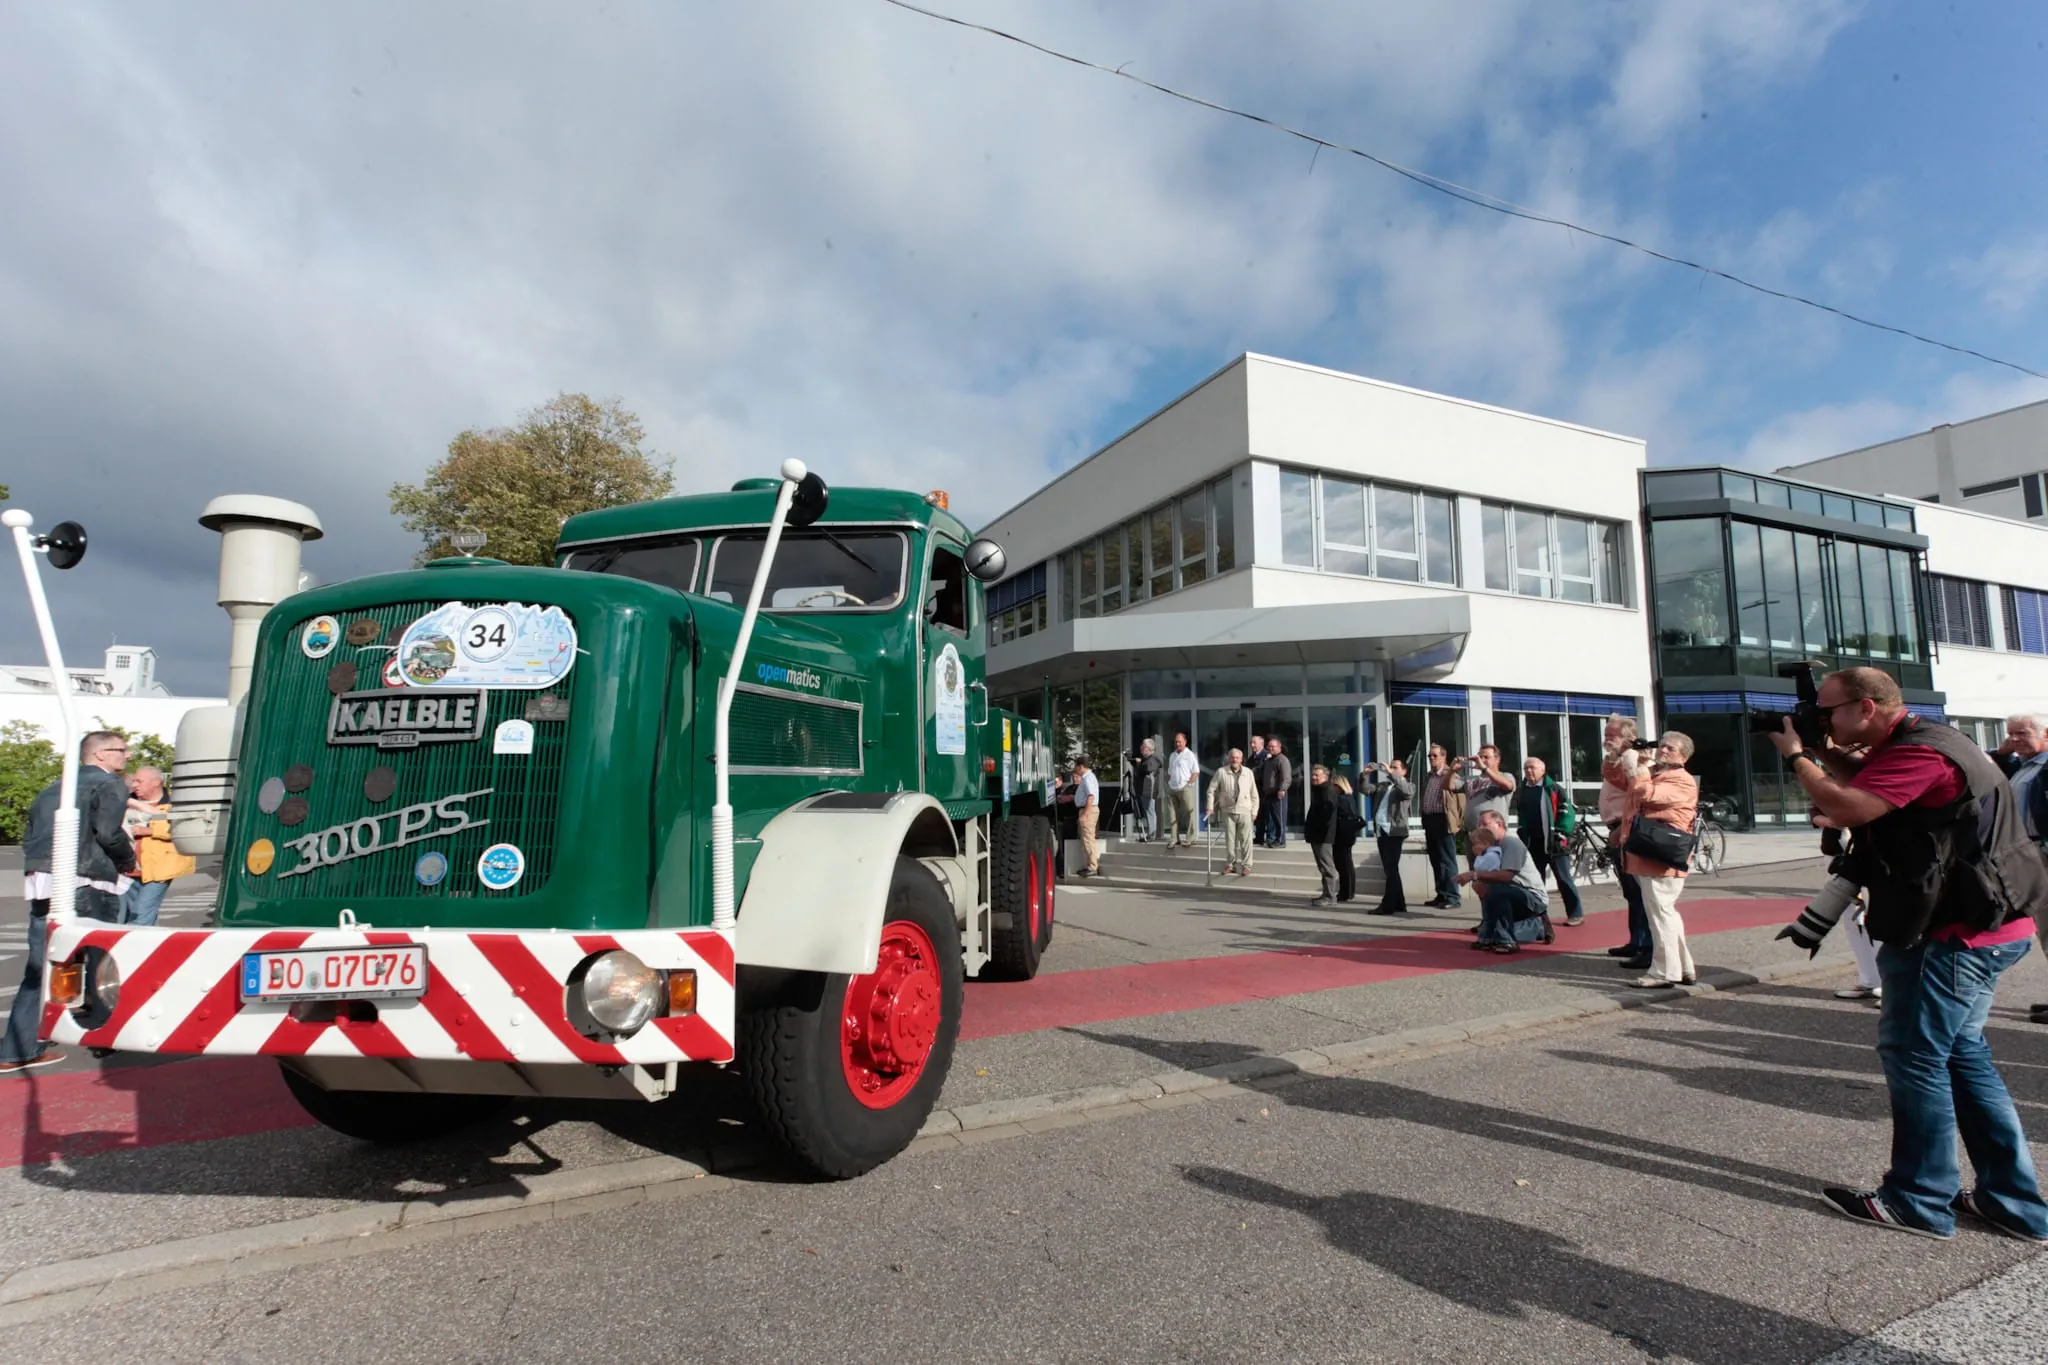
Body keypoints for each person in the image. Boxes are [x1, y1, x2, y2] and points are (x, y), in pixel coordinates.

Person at [1769, 667, 2048, 1240]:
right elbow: (1871, 784)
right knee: (1961, 1056)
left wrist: (1798, 756)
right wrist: (1823, 750)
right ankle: (2012, 1200)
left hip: (1952, 938)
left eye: (1830, 712)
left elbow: (1848, 808)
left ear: (1866, 707)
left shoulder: (1924, 754)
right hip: (1987, 928)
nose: (1823, 721)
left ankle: (1920, 1197)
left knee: (1915, 1057)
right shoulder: (1927, 741)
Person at [1, 730, 138, 1075]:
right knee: (100, 960)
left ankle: (16, 1048)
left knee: (41, 965)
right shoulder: (109, 785)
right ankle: (104, 1037)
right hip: (87, 877)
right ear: (99, 756)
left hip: (45, 880)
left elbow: (31, 834)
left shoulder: (52, 788)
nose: (126, 757)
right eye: (120, 751)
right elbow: (108, 833)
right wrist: (127, 862)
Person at [1613, 731, 1699, 988]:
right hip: (1649, 854)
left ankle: (1664, 972)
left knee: (1660, 914)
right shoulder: (1657, 773)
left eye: (1669, 748)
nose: (1661, 750)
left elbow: (1646, 795)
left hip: (1661, 855)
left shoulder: (1681, 780)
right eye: (1661, 745)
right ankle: (1683, 968)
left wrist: (1640, 765)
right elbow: (1614, 777)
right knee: (1665, 913)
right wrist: (1620, 753)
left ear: (1683, 756)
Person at [1989, 713, 2048, 1025]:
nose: (2013, 740)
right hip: (2028, 855)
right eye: (2010, 734)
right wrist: (2002, 753)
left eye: (2021, 733)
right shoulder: (2024, 766)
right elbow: (1992, 770)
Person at [1599, 715, 1656, 965]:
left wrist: (1622, 828)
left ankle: (1646, 947)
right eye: (1606, 735)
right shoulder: (1619, 758)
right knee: (1631, 893)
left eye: (1612, 735)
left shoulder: (1635, 759)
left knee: (1641, 892)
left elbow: (1631, 790)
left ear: (1628, 738)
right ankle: (1636, 942)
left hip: (1629, 829)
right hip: (1619, 829)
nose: (1607, 739)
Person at [1458, 811, 1552, 953]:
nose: (1480, 828)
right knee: (1489, 888)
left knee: (1497, 891)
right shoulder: (1490, 846)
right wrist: (1479, 880)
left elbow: (1507, 876)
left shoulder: (1511, 842)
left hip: (1533, 897)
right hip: (1513, 892)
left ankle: (1507, 940)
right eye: (1478, 825)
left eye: (1485, 824)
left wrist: (1475, 875)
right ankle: (1487, 938)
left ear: (1499, 824)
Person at [122, 766, 194, 927]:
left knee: (140, 914)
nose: (134, 785)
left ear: (156, 782)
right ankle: (152, 948)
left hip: (159, 870)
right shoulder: (128, 803)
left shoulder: (174, 805)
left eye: (139, 781)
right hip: (130, 869)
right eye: (134, 781)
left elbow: (183, 830)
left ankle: (135, 949)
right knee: (139, 913)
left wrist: (148, 830)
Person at [1515, 757, 1584, 928]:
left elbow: (1567, 812)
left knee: (1564, 879)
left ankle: (1576, 913)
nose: (1528, 771)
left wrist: (1561, 834)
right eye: (1525, 768)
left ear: (1542, 770)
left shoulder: (1553, 789)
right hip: (1533, 843)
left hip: (1555, 843)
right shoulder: (1522, 790)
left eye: (1532, 768)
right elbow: (1521, 816)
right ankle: (1537, 915)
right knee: (1534, 881)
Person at [1417, 745, 1464, 908]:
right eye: (1430, 756)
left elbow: (1460, 801)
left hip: (1443, 820)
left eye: (1435, 756)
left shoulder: (1450, 775)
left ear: (1444, 757)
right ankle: (1441, 894)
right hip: (1430, 820)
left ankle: (1452, 896)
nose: (1432, 759)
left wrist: (1457, 821)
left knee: (1446, 859)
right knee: (1435, 859)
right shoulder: (1429, 776)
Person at [1454, 745, 1514, 872]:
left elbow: (1508, 786)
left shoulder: (1505, 776)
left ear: (1497, 759)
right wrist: (1452, 771)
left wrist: (1484, 768)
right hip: (1473, 834)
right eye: (1480, 757)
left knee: (1494, 871)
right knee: (1476, 873)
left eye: (1486, 757)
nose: (1482, 760)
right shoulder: (1471, 779)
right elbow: (1448, 786)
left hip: (1492, 834)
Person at [1364, 759, 1412, 916]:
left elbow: (1406, 792)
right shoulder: (1384, 786)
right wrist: (1364, 775)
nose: (1391, 769)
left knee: (1391, 868)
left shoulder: (1406, 785)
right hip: (1382, 830)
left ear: (1403, 771)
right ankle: (1399, 903)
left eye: (1395, 767)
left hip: (1395, 831)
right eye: (1390, 766)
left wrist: (1391, 774)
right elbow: (1366, 790)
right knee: (1390, 869)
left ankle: (1388, 905)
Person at [1208, 747, 1258, 876]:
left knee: (1246, 840)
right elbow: (1211, 790)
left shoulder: (1248, 772)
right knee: (1230, 840)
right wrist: (1210, 806)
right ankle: (1230, 864)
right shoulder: (1221, 772)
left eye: (1237, 758)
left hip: (1245, 810)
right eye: (1232, 757)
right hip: (1228, 810)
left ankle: (1247, 865)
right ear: (1229, 759)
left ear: (1241, 759)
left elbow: (1254, 794)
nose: (1235, 760)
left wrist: (1254, 811)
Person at [1306, 765, 1340, 906]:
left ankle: (1331, 896)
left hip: (1324, 835)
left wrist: (1322, 828)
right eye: (1313, 775)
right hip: (1317, 834)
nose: (1314, 778)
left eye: (1317, 775)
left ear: (1325, 777)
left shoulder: (1327, 791)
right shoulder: (1319, 790)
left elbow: (1328, 813)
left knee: (1327, 866)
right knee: (1322, 866)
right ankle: (1326, 894)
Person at [1330, 771, 1365, 904]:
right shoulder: (1349, 798)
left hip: (1342, 835)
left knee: (1343, 864)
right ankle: (1348, 892)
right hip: (1347, 835)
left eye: (1334, 785)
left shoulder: (1342, 799)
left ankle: (1345, 892)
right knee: (1346, 863)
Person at [1163, 732, 1200, 849]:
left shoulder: (1189, 755)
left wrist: (1189, 783)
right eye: (1176, 741)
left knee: (1189, 812)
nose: (1177, 744)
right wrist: (1168, 784)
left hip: (1184, 787)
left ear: (1185, 742)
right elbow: (1169, 772)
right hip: (1172, 788)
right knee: (1173, 815)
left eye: (1180, 741)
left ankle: (1190, 838)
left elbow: (1196, 772)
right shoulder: (1172, 755)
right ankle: (1174, 838)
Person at [1259, 739, 1293, 849]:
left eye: (1273, 746)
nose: (1270, 748)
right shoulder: (1268, 761)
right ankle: (1274, 839)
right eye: (1269, 746)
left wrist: (1282, 789)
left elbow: (1286, 777)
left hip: (1278, 794)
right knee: (1272, 819)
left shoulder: (1282, 760)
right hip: (1268, 794)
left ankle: (1281, 841)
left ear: (1279, 747)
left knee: (1280, 819)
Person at [1072, 756, 1102, 878]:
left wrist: (1085, 814)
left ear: (1080, 766)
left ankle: (1093, 866)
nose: (1075, 769)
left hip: (1088, 809)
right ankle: (1090, 864)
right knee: (1086, 838)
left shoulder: (1088, 778)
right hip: (1087, 809)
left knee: (1088, 838)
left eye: (1076, 766)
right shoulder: (1087, 777)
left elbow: (1091, 796)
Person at [1127, 739, 1162, 842]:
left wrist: (1138, 764)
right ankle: (1147, 833)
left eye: (1144, 747)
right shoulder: (1145, 759)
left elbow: (1146, 770)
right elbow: (1140, 769)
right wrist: (1132, 760)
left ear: (1149, 749)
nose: (1141, 749)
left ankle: (1152, 833)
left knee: (1150, 811)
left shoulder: (1153, 760)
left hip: (1149, 790)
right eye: (1141, 746)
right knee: (1145, 812)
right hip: (1141, 789)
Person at [1246, 736, 1269, 845]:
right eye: (1251, 743)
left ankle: (1269, 837)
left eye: (1254, 743)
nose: (1252, 745)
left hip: (1263, 788)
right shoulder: (1252, 757)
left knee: (1265, 813)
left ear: (1261, 743)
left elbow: (1259, 770)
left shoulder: (1266, 755)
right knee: (1258, 813)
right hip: (1254, 788)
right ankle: (1259, 836)